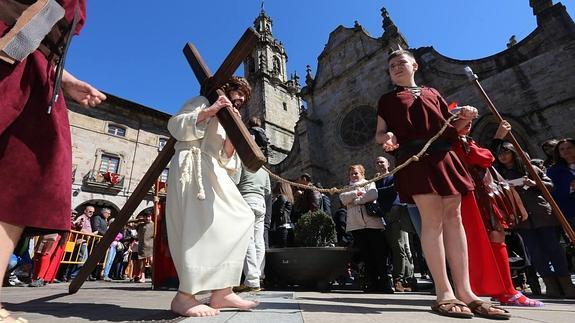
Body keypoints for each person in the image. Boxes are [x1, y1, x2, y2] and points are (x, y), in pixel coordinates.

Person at [375, 48, 509, 319]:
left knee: (454, 219)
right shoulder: (387, 100)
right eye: (391, 66)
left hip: (444, 156)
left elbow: (451, 128)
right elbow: (380, 134)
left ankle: (467, 292)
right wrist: (387, 136)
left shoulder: (432, 92)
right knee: (432, 219)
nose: (396, 67)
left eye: (401, 62)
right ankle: (443, 292)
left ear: (414, 66)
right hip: (415, 158)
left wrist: (465, 116)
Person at [0, 1, 106, 319]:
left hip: (34, 68)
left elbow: (38, 27)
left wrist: (66, 78)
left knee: (22, 179)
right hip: (10, 59)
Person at [165, 76, 259, 317]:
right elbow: (176, 125)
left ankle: (222, 291)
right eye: (238, 93)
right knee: (196, 228)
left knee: (242, 217)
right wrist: (211, 111)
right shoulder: (200, 101)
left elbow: (226, 160)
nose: (241, 99)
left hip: (215, 171)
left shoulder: (232, 117)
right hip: (192, 164)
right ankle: (185, 297)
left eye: (245, 98)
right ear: (227, 89)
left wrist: (232, 135)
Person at [454, 116, 543, 307]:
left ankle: (504, 289)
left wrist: (498, 138)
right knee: (494, 237)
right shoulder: (455, 142)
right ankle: (506, 291)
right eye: (461, 119)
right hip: (475, 196)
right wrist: (498, 137)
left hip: (480, 194)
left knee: (496, 238)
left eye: (469, 119)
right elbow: (484, 158)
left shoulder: (463, 141)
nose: (468, 122)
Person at [493, 140, 575, 298]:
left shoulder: (530, 168)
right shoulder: (499, 175)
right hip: (521, 218)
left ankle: (566, 284)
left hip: (542, 214)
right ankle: (551, 285)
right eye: (500, 153)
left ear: (513, 152)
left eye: (506, 152)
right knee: (535, 253)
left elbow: (550, 186)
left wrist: (534, 183)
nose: (502, 156)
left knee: (554, 249)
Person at [339, 164, 392, 293]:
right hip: (356, 226)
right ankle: (372, 283)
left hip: (372, 224)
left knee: (379, 254)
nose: (354, 175)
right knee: (366, 255)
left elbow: (373, 195)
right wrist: (355, 193)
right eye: (352, 174)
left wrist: (356, 201)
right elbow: (343, 199)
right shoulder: (346, 188)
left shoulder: (369, 183)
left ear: (362, 174)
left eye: (356, 173)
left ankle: (384, 284)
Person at [234, 126, 271, 293]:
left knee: (247, 241)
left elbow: (234, 182)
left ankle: (251, 280)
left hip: (246, 200)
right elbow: (268, 191)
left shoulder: (243, 162)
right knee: (258, 241)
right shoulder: (264, 168)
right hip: (260, 202)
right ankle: (259, 276)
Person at [374, 156, 414, 292]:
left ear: (388, 164)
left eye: (382, 161)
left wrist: (376, 193)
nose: (379, 164)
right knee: (398, 247)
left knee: (399, 247)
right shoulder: (376, 181)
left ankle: (400, 279)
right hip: (385, 215)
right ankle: (408, 279)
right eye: (377, 162)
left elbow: (393, 189)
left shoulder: (393, 176)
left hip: (397, 212)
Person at [546, 138, 575, 229]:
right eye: (562, 149)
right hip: (571, 209)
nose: (566, 151)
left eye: (569, 147)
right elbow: (554, 192)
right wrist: (570, 187)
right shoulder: (553, 171)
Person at [270, 182, 295, 248]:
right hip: (287, 226)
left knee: (282, 249)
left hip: (282, 227)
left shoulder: (282, 197)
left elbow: (279, 211)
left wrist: (273, 202)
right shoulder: (288, 198)